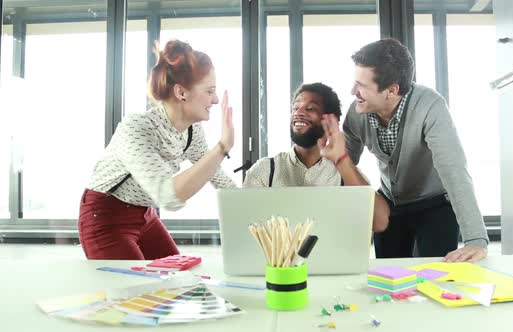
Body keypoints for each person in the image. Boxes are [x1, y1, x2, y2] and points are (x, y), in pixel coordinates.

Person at [78, 40, 235, 260]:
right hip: (105, 215)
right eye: (210, 91)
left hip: (145, 215)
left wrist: (246, 204)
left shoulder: (192, 130)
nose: (216, 99)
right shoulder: (137, 128)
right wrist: (222, 147)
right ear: (181, 92)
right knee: (134, 291)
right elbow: (168, 196)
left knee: (176, 281)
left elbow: (213, 172)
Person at [343, 38, 488, 262]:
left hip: (435, 204)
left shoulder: (430, 106)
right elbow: (343, 167)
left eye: (362, 85)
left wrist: (476, 240)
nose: (353, 91)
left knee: (437, 274)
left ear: (391, 90)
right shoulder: (357, 113)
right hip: (390, 204)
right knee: (390, 278)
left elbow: (454, 170)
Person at [244, 82, 390, 232]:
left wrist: (341, 160)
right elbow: (243, 224)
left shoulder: (345, 175)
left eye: (311, 108)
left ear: (330, 120)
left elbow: (379, 222)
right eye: (295, 108)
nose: (298, 112)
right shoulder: (265, 171)